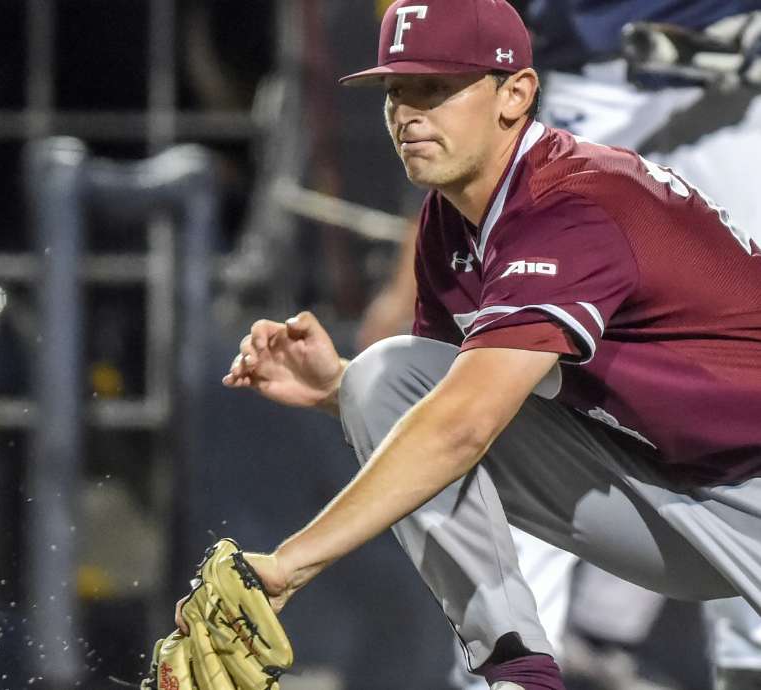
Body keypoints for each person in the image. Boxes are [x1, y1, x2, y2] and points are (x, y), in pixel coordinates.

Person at [206, 1, 761, 688]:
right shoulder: (457, 215)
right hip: (674, 494)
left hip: (747, 484)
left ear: (517, 94)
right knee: (386, 378)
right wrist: (338, 391)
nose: (410, 113)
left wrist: (289, 564)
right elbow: (454, 410)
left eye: (437, 88)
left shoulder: (574, 202)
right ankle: (516, 674)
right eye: (396, 90)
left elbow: (462, 426)